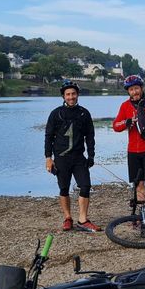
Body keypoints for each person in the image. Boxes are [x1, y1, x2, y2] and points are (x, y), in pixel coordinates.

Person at [45, 80, 99, 232]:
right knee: (64, 188)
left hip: (78, 157)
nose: (71, 97)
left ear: (77, 95)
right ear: (63, 96)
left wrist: (91, 155)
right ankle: (68, 218)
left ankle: (83, 219)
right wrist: (48, 158)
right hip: (61, 157)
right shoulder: (56, 114)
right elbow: (49, 136)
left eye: (73, 94)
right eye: (68, 94)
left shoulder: (84, 113)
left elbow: (90, 136)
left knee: (85, 186)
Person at [112, 75, 145, 208]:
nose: (134, 92)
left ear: (141, 88)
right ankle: (144, 214)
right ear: (128, 91)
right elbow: (115, 126)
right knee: (139, 184)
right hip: (133, 151)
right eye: (131, 90)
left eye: (136, 88)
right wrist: (127, 122)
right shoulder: (125, 106)